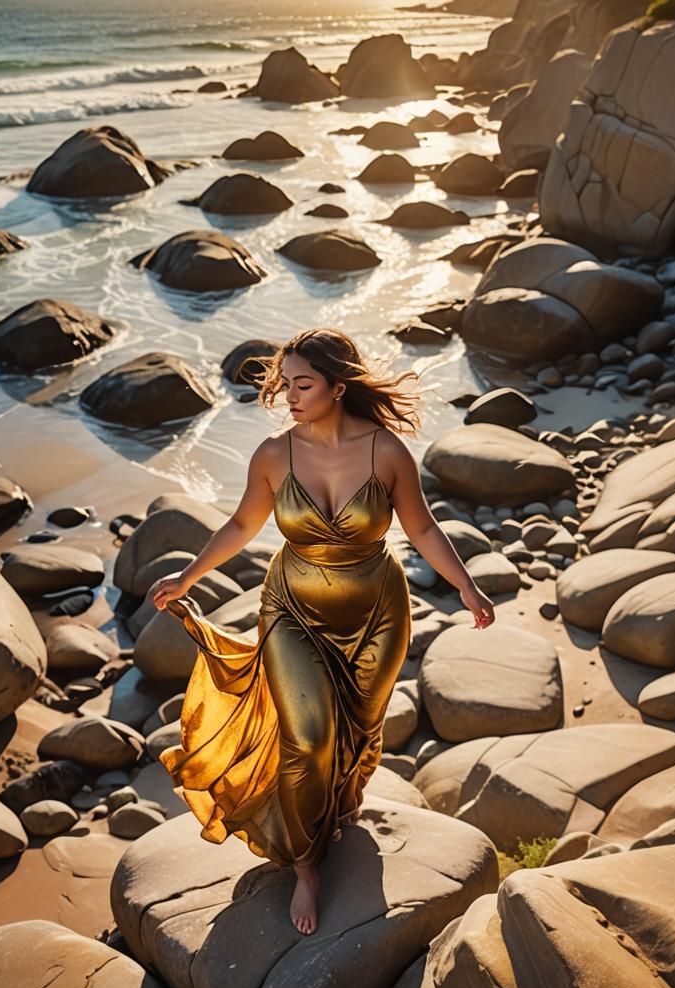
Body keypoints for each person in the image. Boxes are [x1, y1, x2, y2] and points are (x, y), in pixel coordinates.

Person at [148, 327, 496, 936]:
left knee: (360, 731)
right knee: (307, 740)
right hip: (293, 609)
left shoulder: (385, 451)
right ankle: (306, 865)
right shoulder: (273, 455)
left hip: (376, 612)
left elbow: (421, 528)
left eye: (302, 385)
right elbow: (240, 525)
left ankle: (340, 803)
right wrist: (188, 574)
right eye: (285, 384)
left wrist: (466, 586)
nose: (288, 395)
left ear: (338, 387)